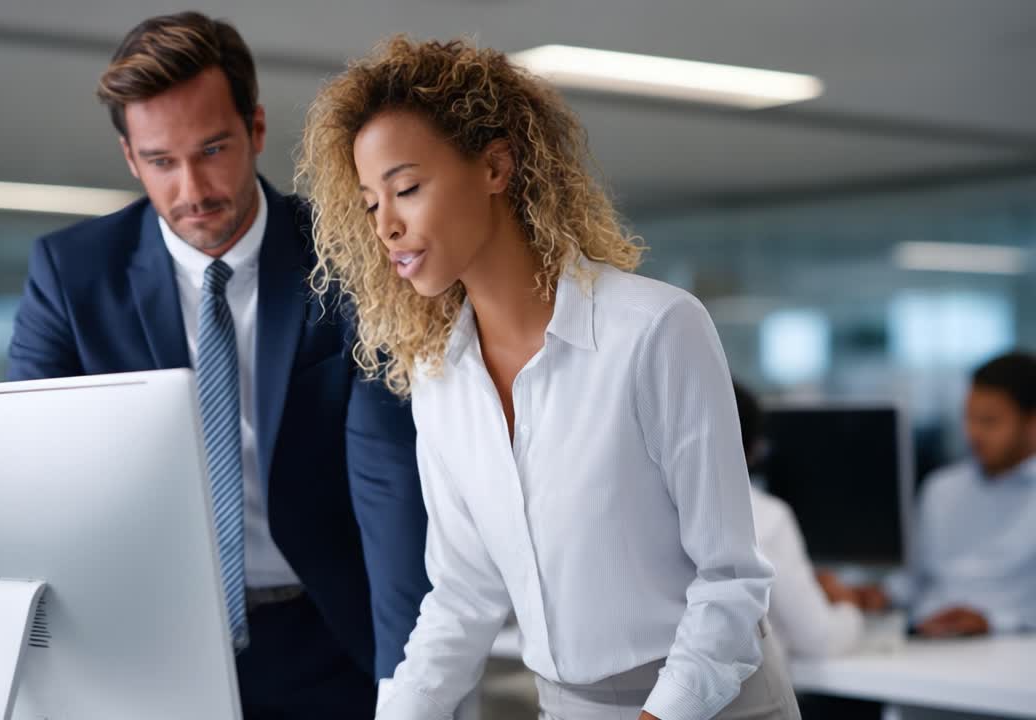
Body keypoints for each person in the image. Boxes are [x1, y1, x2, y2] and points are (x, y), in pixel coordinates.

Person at [299, 37, 799, 720]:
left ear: (495, 166)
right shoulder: (442, 379)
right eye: (369, 203)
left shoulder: (654, 332)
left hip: (713, 705)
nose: (387, 225)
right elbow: (463, 597)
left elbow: (730, 580)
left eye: (407, 188)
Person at [6, 13, 431, 719]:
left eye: (212, 149)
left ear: (256, 129)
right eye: (161, 162)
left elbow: (388, 482)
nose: (192, 188)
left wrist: (409, 684)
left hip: (326, 636)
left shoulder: (347, 257)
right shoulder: (72, 275)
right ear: (129, 158)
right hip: (149, 643)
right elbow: (29, 466)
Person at [858, 350, 1036, 637]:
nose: (973, 433)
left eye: (989, 421)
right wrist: (873, 595)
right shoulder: (941, 489)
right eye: (969, 418)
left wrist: (992, 621)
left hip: (1010, 645)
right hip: (925, 637)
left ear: (1031, 423)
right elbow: (911, 583)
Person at [732, 382, 864, 659]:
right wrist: (850, 606)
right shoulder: (766, 518)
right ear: (754, 450)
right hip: (746, 698)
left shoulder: (649, 516)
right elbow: (818, 640)